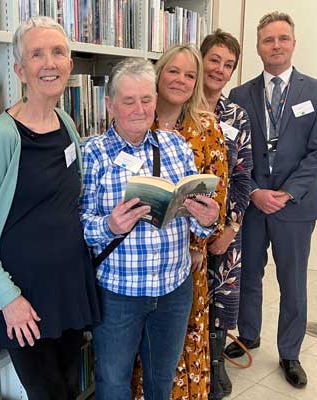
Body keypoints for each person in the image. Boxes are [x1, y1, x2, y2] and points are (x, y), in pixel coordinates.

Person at [0, 16, 101, 400]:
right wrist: (10, 299)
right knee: (50, 394)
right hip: (23, 298)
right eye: (37, 55)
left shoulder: (66, 123)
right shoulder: (0, 135)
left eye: (58, 52)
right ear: (21, 70)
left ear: (70, 64)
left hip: (68, 287)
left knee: (71, 386)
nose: (49, 63)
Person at [80, 57, 221, 400]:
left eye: (146, 99)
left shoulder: (175, 146)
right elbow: (78, 225)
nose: (139, 109)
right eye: (128, 101)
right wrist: (110, 225)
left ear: (156, 101)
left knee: (161, 379)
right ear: (110, 104)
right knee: (113, 382)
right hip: (119, 292)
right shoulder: (92, 154)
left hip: (174, 287)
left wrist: (207, 221)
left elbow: (195, 224)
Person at [224, 11, 317, 389]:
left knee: (293, 280)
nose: (275, 45)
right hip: (254, 205)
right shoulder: (239, 95)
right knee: (248, 275)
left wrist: (286, 193)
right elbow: (235, 153)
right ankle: (250, 334)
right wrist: (254, 191)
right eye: (268, 40)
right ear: (258, 47)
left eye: (282, 38)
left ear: (293, 43)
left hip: (296, 207)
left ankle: (290, 352)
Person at [131, 45, 229, 400]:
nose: (181, 80)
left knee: (182, 345)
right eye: (174, 71)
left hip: (187, 262)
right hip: (138, 260)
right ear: (158, 74)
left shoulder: (208, 128)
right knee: (143, 349)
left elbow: (218, 196)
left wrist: (197, 246)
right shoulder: (138, 117)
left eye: (190, 75)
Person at [200, 30, 254, 399]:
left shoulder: (237, 115)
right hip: (182, 228)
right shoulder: (177, 103)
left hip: (223, 229)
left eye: (228, 64)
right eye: (215, 60)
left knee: (222, 298)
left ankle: (216, 363)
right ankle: (192, 364)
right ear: (200, 59)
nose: (220, 69)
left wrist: (231, 227)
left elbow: (243, 177)